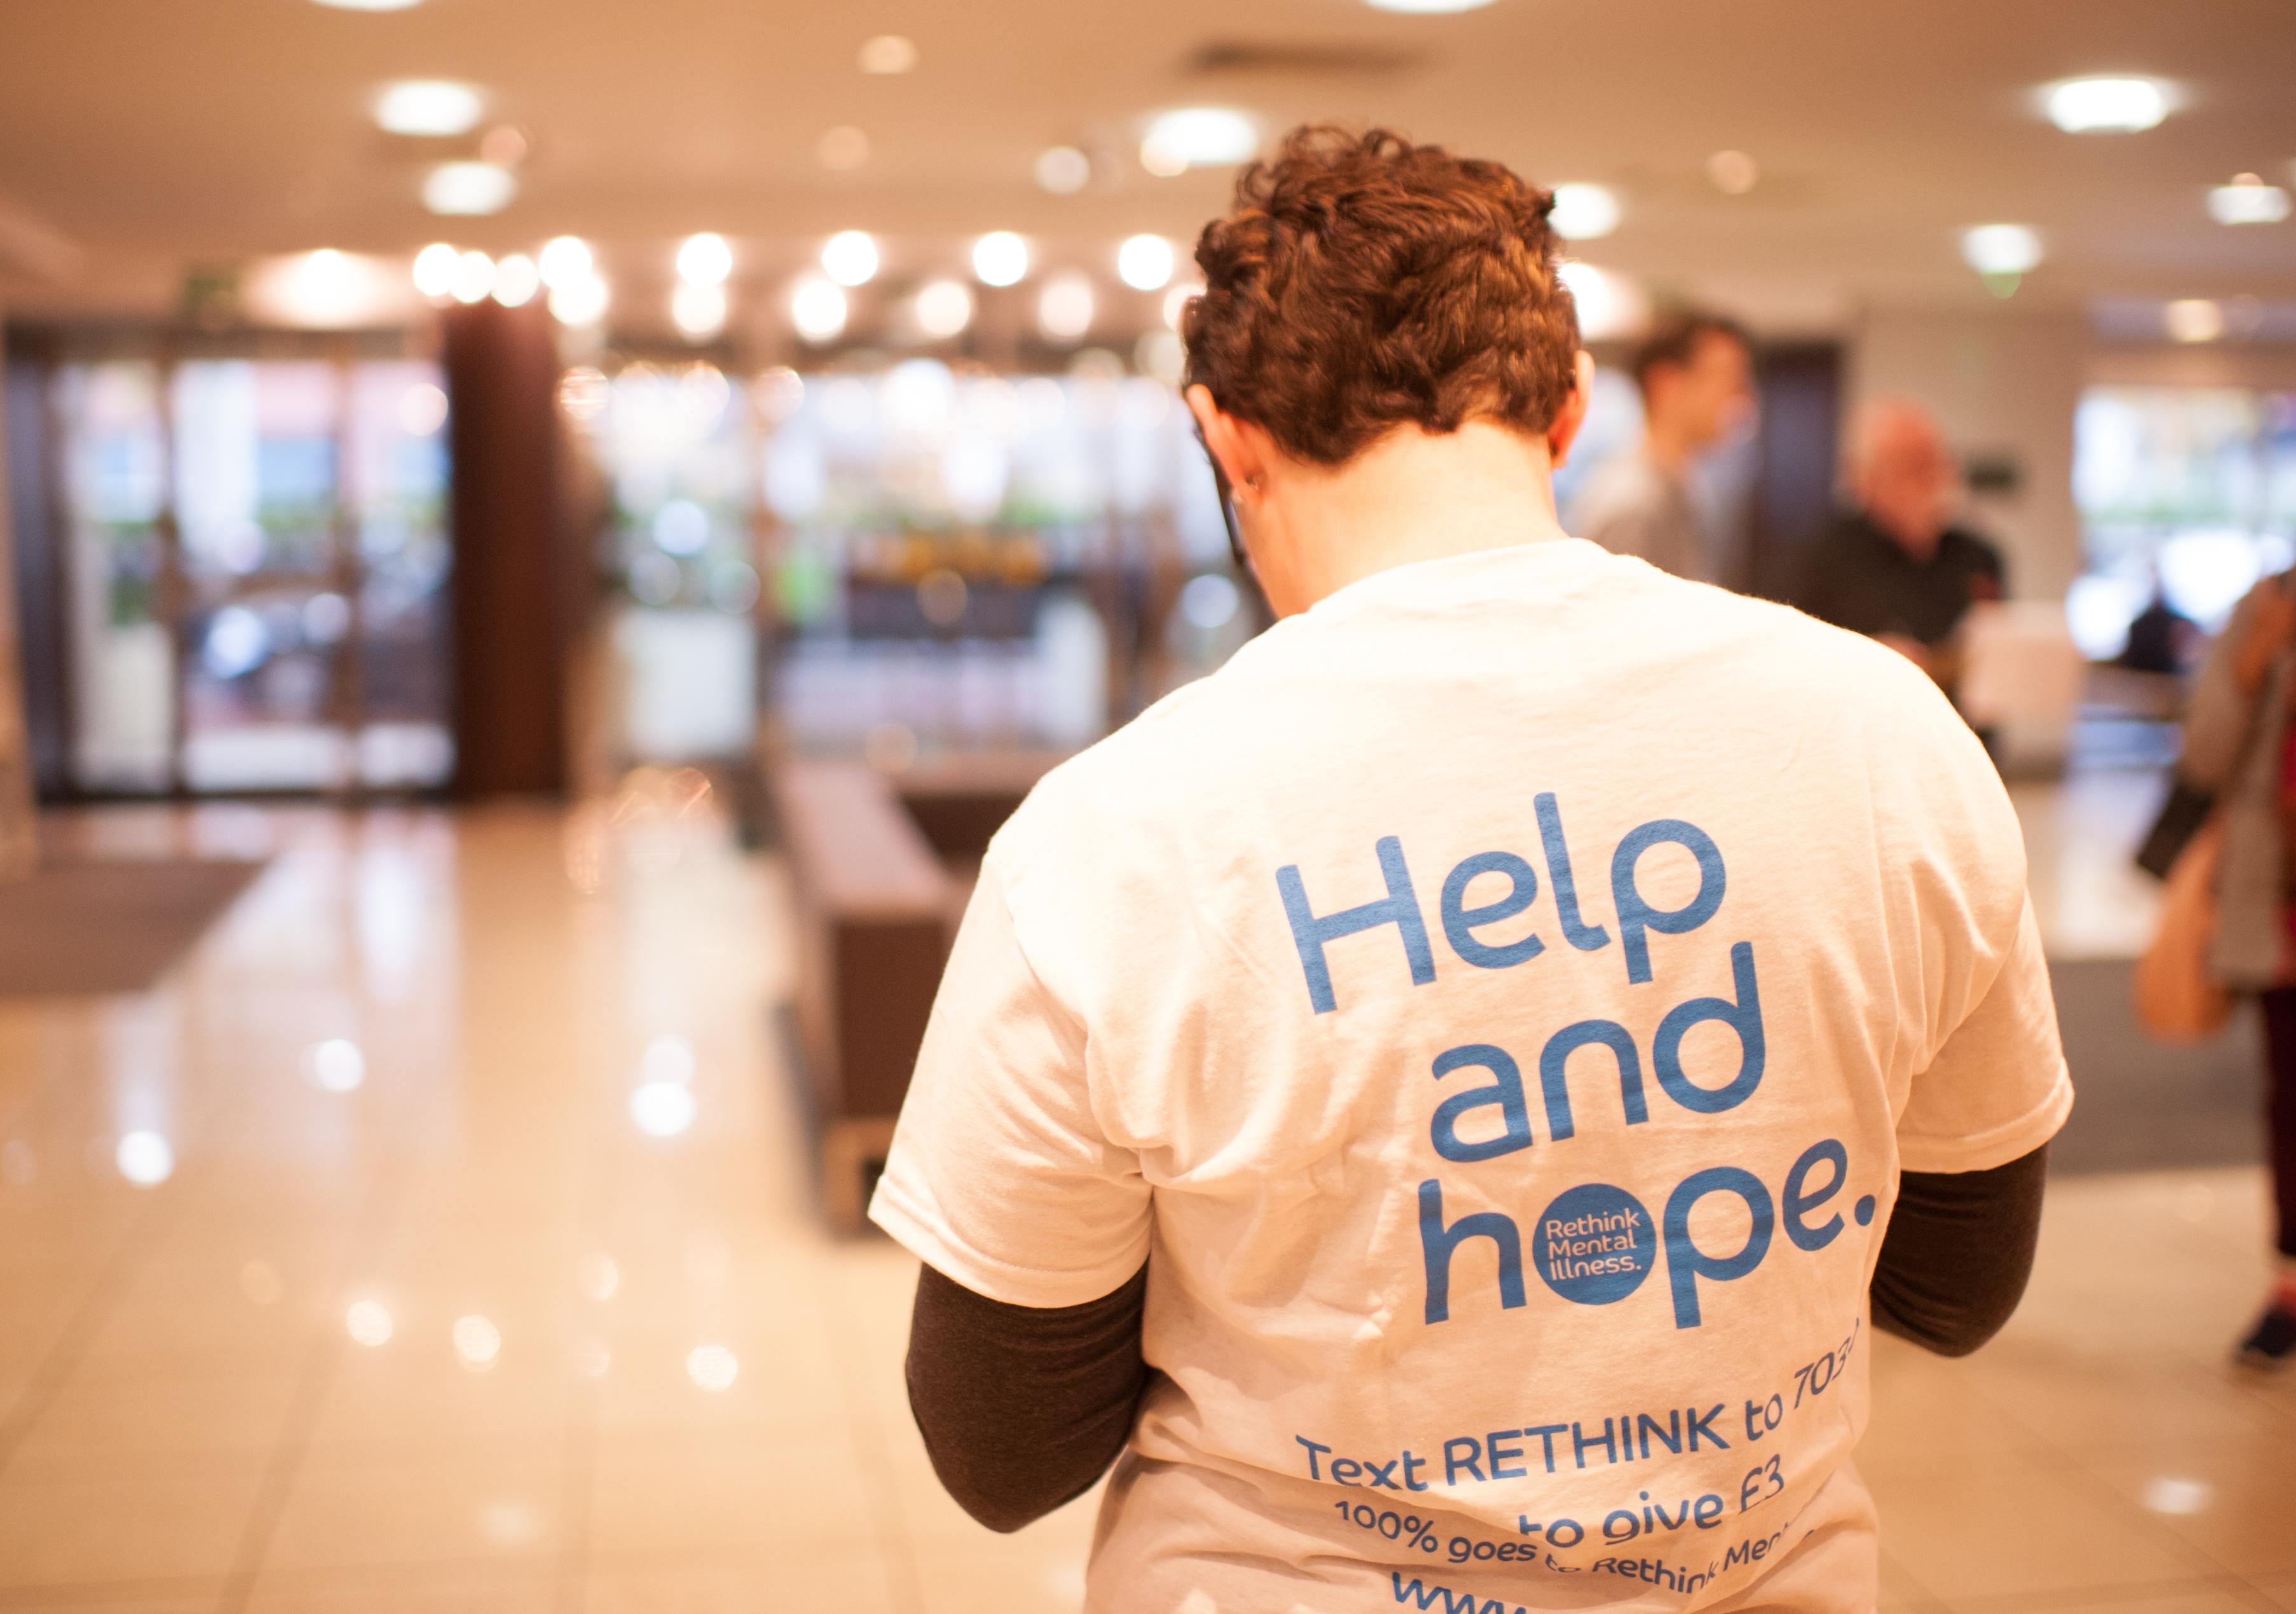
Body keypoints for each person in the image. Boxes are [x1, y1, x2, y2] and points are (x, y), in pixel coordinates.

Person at [872, 127, 2071, 1613]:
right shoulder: (1889, 735)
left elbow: (1003, 1449)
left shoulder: (1109, 839)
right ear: (1567, 413)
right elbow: (1956, 1290)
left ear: (1225, 438)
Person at [2176, 571, 2296, 1368]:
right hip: (2277, 895)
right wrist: (2257, 656)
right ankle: (2289, 1279)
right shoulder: (2268, 606)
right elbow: (2205, 756)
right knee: (2290, 1095)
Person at [1800, 401, 2006, 699]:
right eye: (1912, 465)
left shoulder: (1979, 557)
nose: (1932, 478)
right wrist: (1867, 656)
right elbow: (1798, 655)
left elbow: (1998, 654)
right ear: (1868, 479)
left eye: (1937, 461)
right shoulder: (1824, 557)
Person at [1571, 310, 1754, 584]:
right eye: (1726, 377)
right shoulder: (1634, 503)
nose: (1742, 397)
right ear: (1666, 383)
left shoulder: (1681, 486)